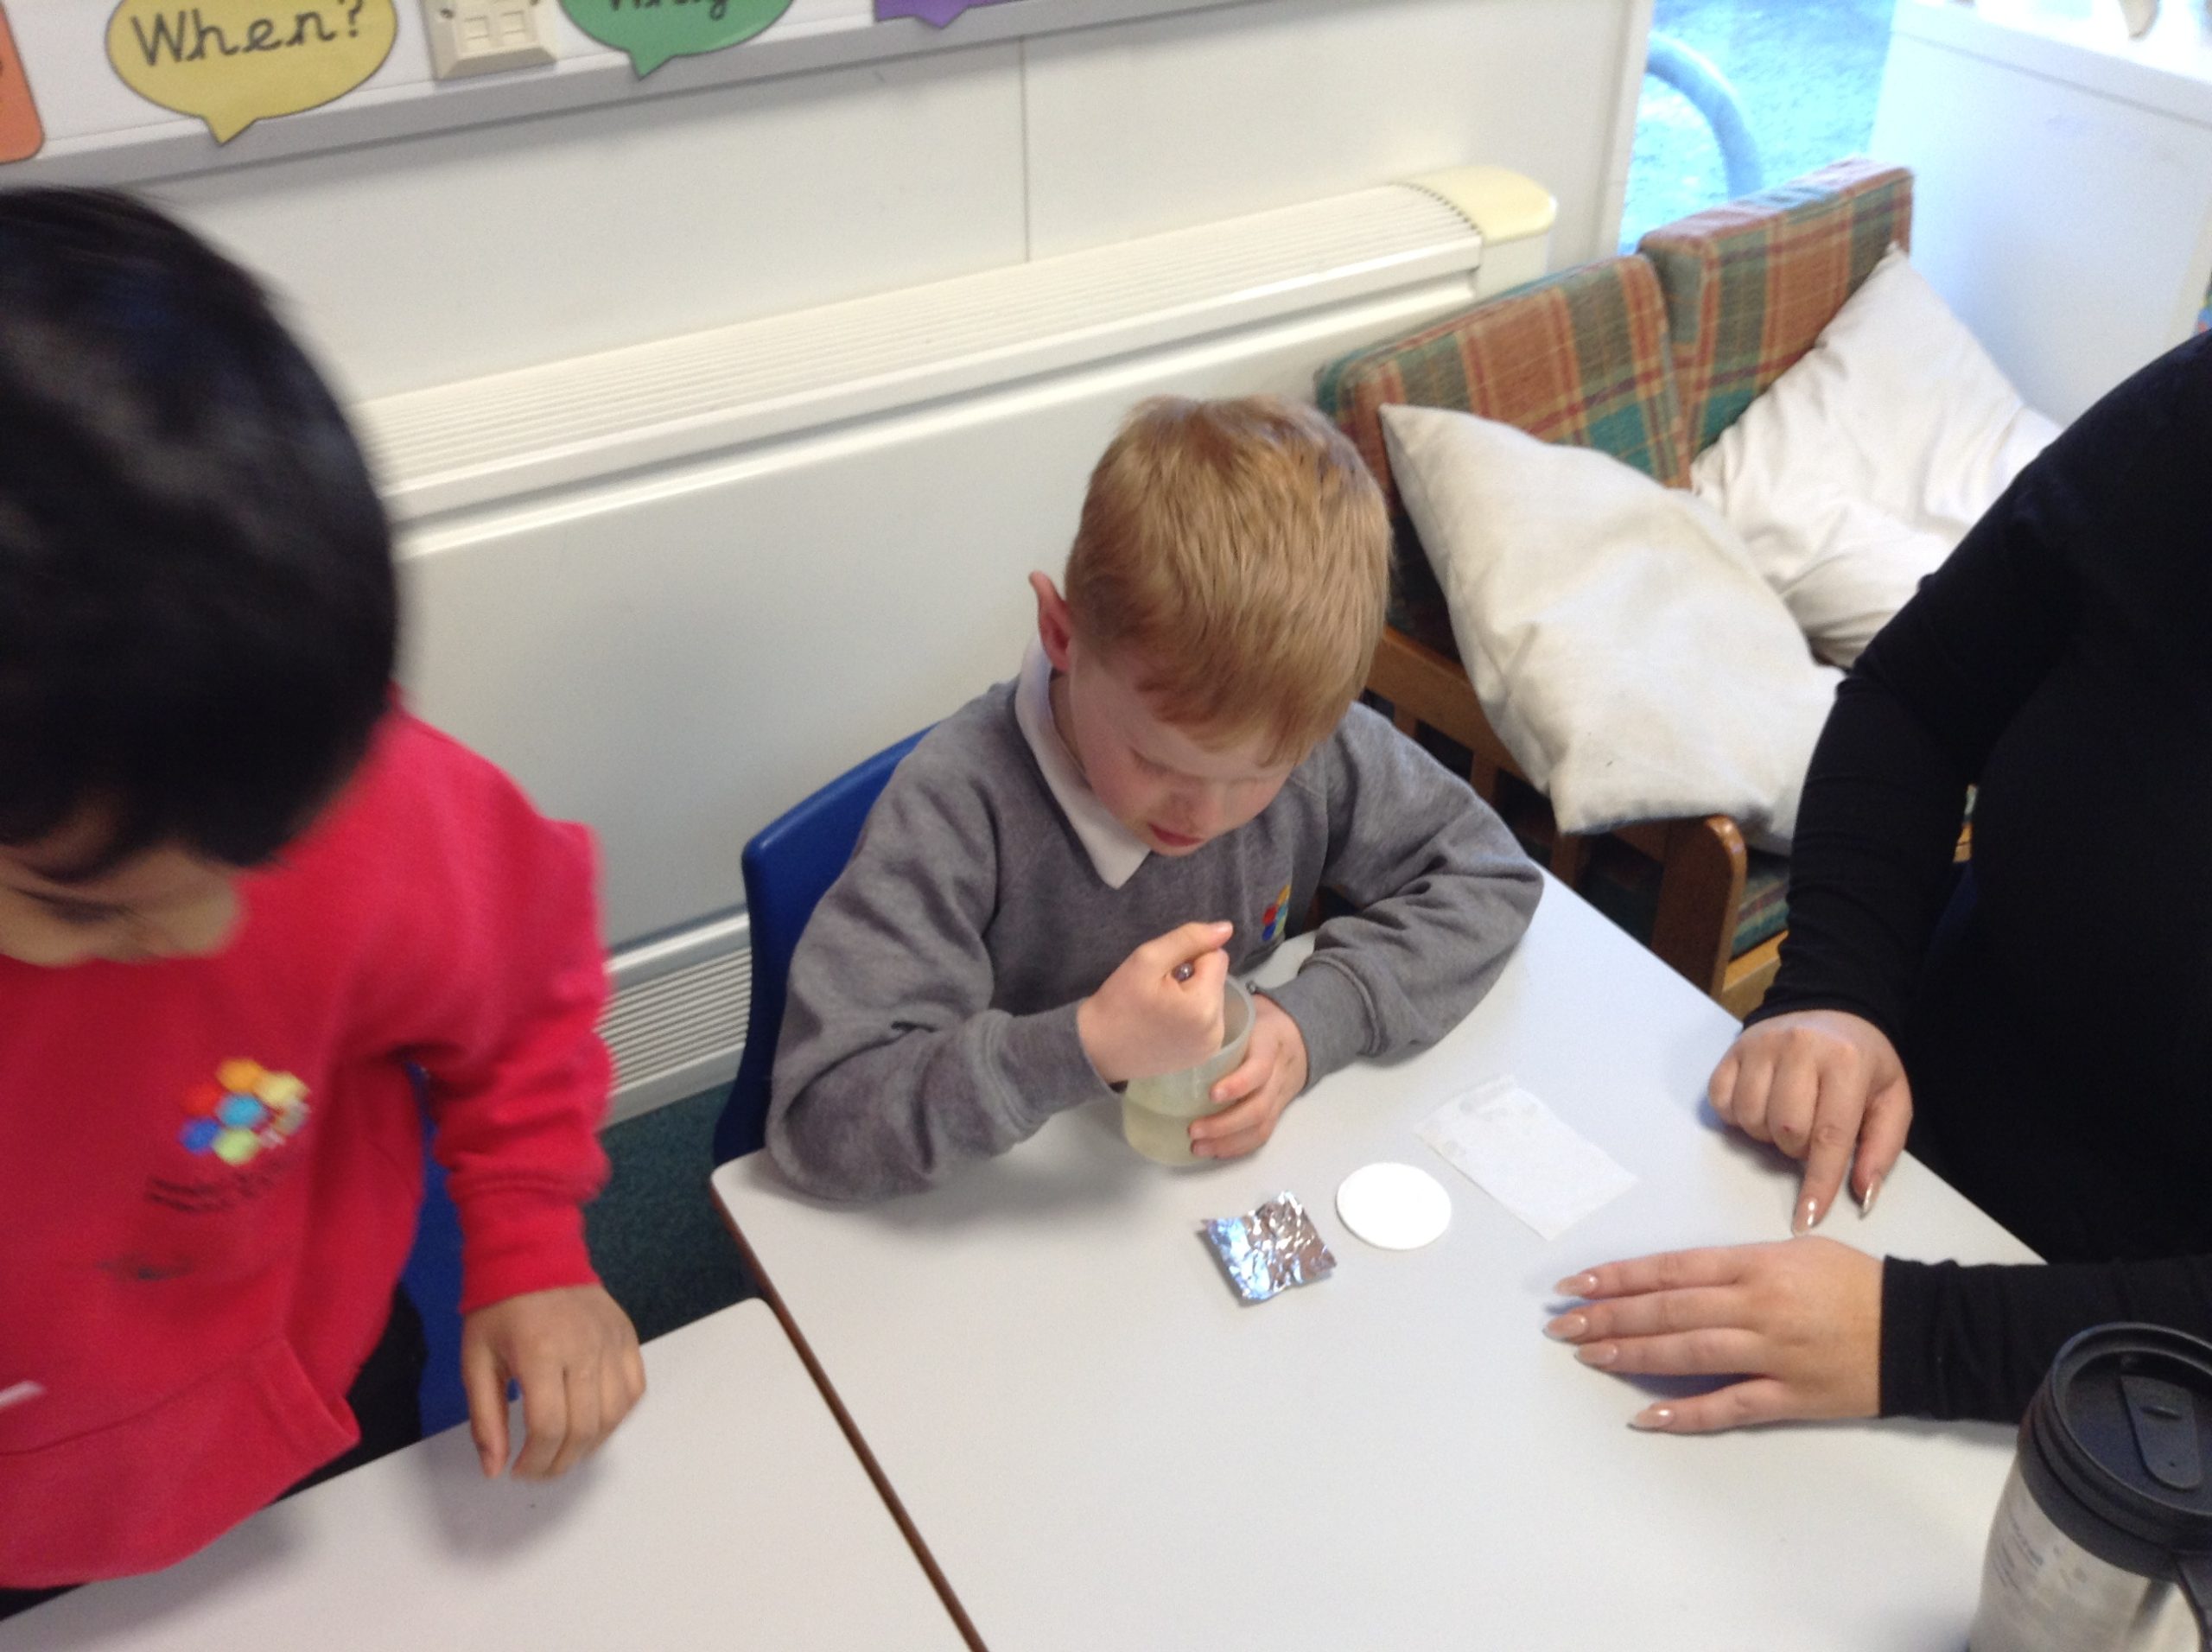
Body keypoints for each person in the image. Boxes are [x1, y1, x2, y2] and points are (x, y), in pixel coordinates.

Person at [0, 190, 643, 1613]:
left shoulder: (353, 792)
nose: (206, 931)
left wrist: (528, 1240)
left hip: (296, 1409)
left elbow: (524, 988)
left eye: (262, 852)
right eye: (87, 905)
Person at [1544, 331, 2212, 1432]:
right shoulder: (2190, 420)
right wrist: (1838, 987)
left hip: (2123, 1384)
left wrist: (1918, 1341)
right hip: (1902, 1134)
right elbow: (1916, 697)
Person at [767, 395, 1543, 1199]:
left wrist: (1313, 1019)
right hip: (1007, 1207)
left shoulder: (1307, 737)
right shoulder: (957, 810)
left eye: (1257, 775)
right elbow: (821, 1119)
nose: (1204, 816)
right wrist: (1086, 1046)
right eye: (1156, 760)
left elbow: (1489, 873)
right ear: (1062, 637)